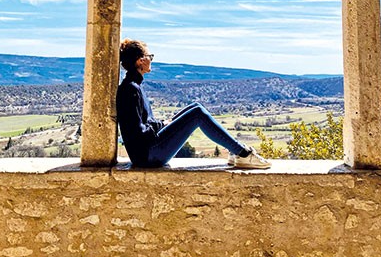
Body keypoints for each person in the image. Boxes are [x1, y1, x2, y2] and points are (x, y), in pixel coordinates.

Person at [116, 38, 271, 169]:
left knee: (195, 107)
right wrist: (162, 125)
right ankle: (242, 153)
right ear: (140, 61)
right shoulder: (130, 89)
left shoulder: (133, 86)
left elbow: (143, 124)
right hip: (147, 156)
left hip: (147, 152)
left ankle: (234, 151)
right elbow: (139, 133)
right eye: (150, 56)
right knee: (197, 115)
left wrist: (163, 124)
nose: (151, 59)